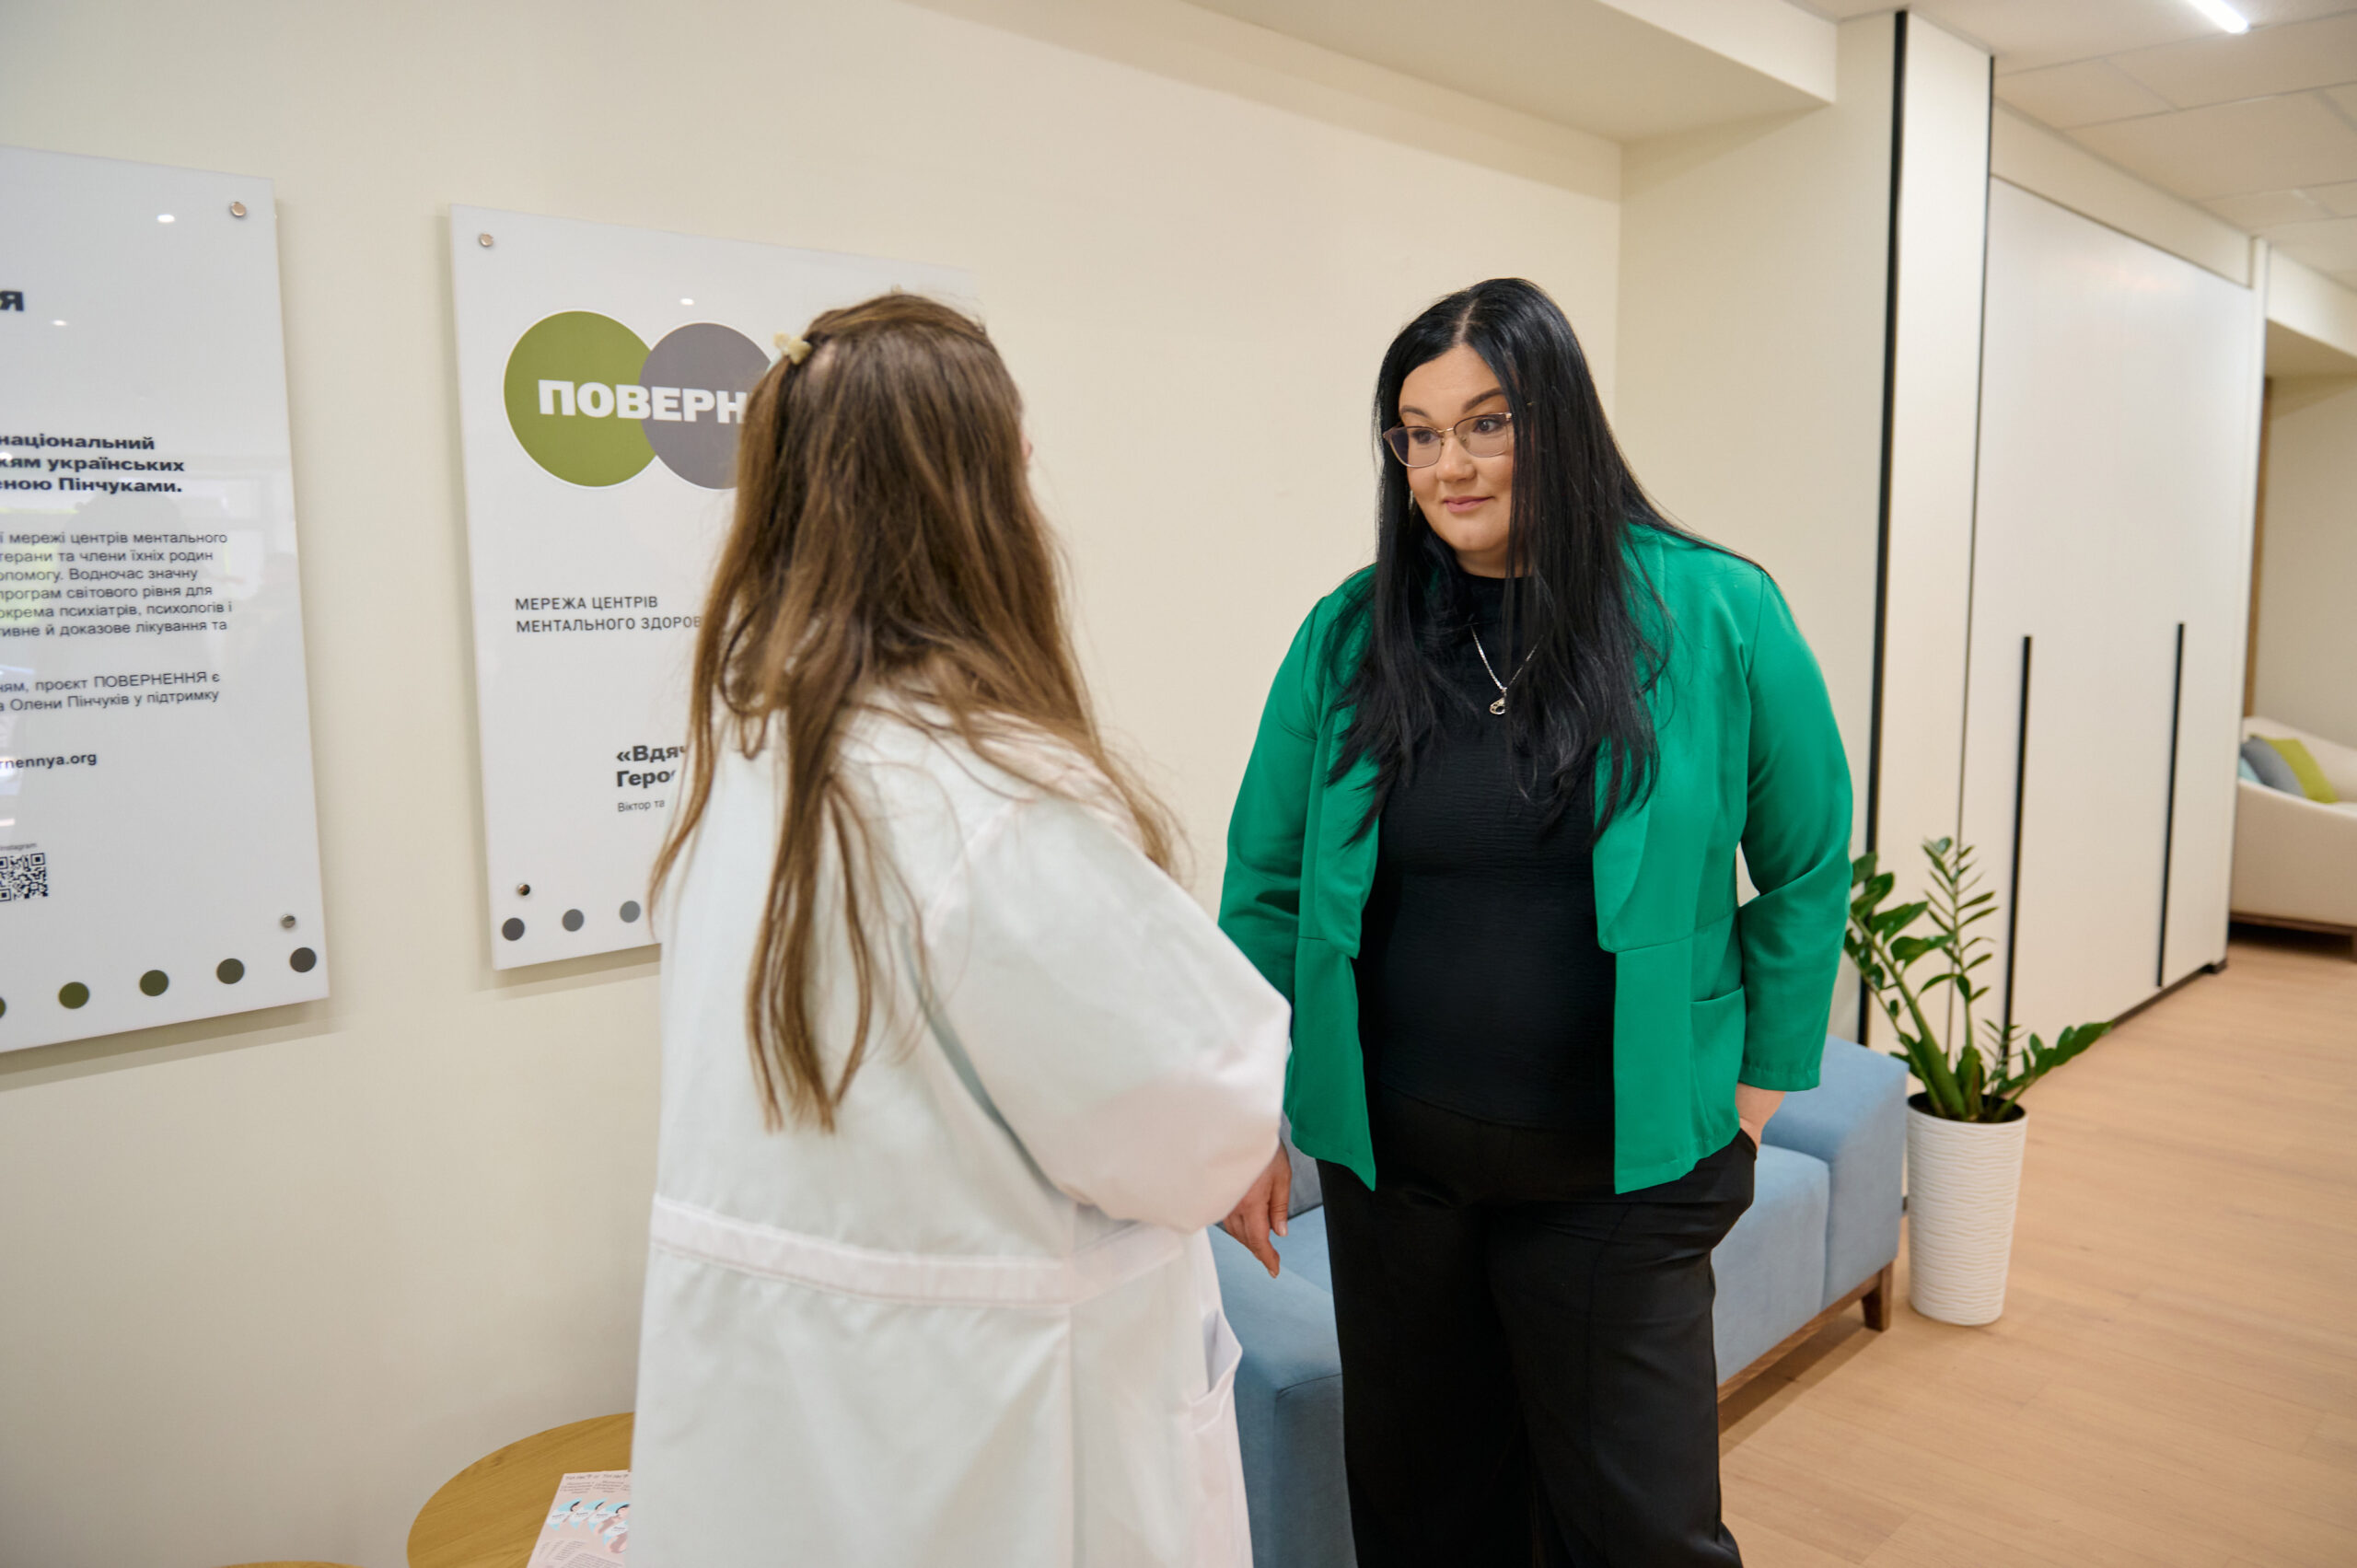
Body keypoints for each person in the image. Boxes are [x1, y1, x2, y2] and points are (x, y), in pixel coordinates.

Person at [630, 294, 1288, 1567]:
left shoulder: (748, 760)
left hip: (797, 1429)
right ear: (969, 505)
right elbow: (1197, 1121)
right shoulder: (983, 799)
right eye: (1017, 464)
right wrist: (1240, 1136)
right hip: (990, 1448)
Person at [1216, 278, 1851, 1566]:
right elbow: (1265, 884)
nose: (1449, 464)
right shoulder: (1348, 636)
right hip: (1396, 1181)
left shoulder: (1717, 609)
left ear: (1555, 419)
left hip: (1621, 1180)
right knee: (1427, 1524)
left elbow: (1805, 863)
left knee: (1641, 1534)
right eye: (1419, 433)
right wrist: (1237, 1117)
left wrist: (1752, 1101)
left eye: (1486, 423)